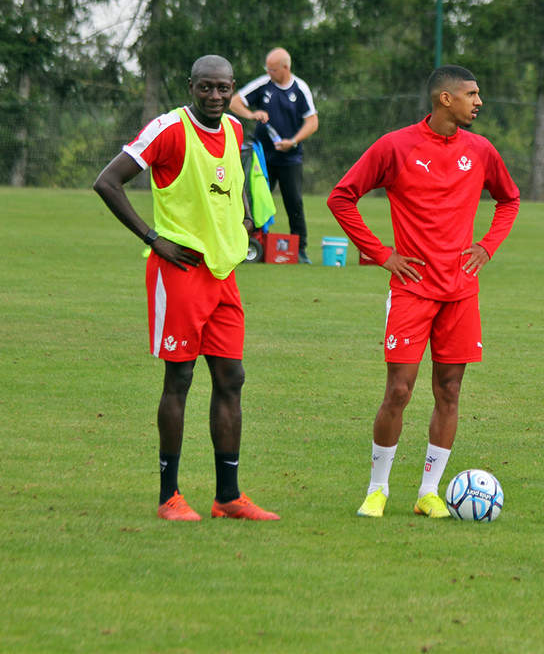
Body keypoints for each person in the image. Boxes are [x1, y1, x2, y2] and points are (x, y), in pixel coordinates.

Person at [327, 65, 520, 519]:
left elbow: (508, 199)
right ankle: (378, 489)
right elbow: (342, 197)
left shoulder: (481, 150)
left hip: (461, 292)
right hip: (413, 290)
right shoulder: (395, 146)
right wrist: (381, 253)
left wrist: (487, 246)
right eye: (471, 94)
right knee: (399, 390)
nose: (479, 102)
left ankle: (429, 492)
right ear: (444, 99)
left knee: (449, 391)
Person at [93, 55, 280, 522]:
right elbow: (108, 182)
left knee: (231, 379)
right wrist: (155, 239)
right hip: (178, 273)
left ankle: (228, 496)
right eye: (205, 88)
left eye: (222, 88)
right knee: (179, 379)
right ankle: (168, 496)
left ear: (233, 87)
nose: (214, 96)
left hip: (223, 274)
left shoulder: (236, 131)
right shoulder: (167, 129)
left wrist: (240, 219)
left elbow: (230, 187)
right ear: (190, 86)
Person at [230, 47, 319, 263]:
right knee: (254, 200)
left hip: (290, 158)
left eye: (272, 69)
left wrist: (294, 141)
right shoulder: (263, 84)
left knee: (294, 202)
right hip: (262, 157)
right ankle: (249, 244)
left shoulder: (300, 89)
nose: (269, 72)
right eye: (267, 69)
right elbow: (234, 102)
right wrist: (252, 114)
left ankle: (300, 249)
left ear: (285, 68)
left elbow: (312, 122)